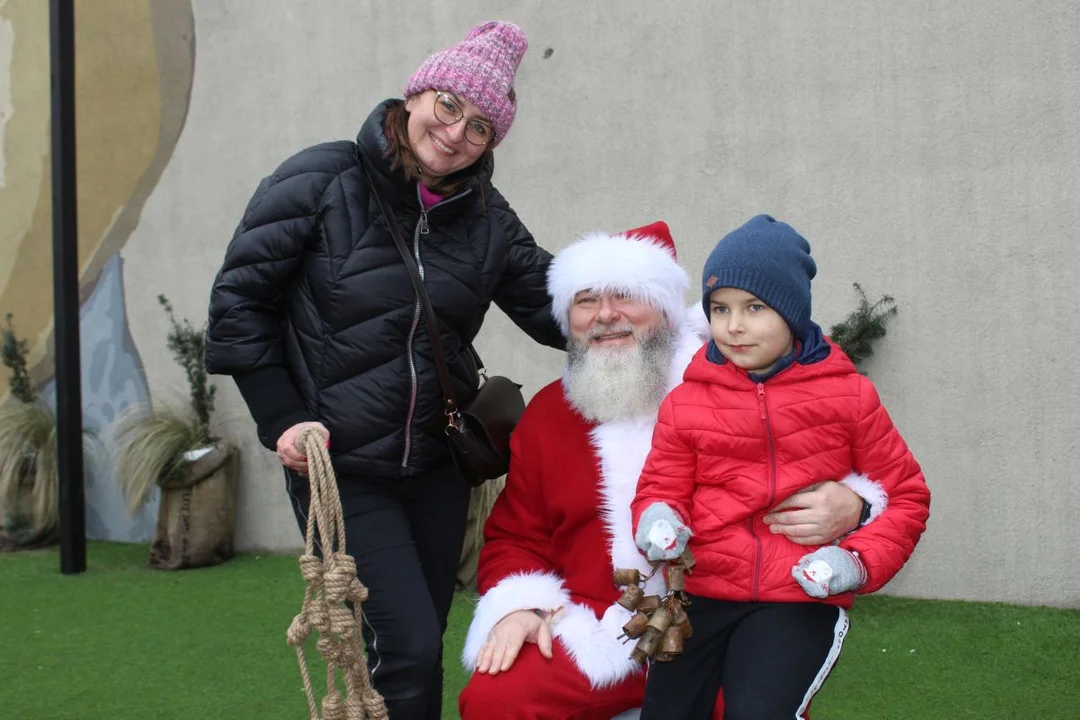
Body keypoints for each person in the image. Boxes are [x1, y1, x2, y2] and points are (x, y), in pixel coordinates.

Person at [204, 21, 565, 720]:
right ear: (417, 93)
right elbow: (239, 302)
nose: (457, 132)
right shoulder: (322, 177)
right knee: (404, 640)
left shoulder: (489, 219)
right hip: (339, 463)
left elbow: (557, 309)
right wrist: (280, 416)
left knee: (417, 644)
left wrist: (647, 309)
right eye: (449, 105)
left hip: (437, 464)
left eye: (482, 126)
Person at [458, 221, 887, 720]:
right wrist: (520, 606)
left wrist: (856, 504)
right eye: (586, 301)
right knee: (497, 702)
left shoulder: (747, 386)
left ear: (664, 306)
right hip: (599, 623)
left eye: (626, 295)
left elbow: (877, 472)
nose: (606, 315)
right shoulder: (551, 413)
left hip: (727, 619)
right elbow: (517, 536)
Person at [631, 214, 931, 720]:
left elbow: (906, 496)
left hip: (798, 597)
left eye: (755, 307)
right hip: (698, 595)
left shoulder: (849, 396)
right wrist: (659, 519)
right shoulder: (686, 401)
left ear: (792, 313)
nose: (734, 325)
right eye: (720, 308)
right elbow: (660, 486)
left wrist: (855, 561)